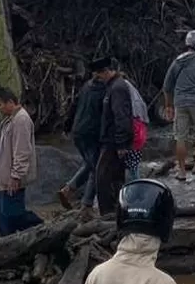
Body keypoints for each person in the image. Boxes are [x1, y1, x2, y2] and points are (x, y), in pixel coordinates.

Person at [163, 31, 195, 181]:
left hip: (180, 103)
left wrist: (168, 106)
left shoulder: (177, 61)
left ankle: (181, 171)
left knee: (180, 137)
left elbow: (167, 87)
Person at [0, 88, 42, 237]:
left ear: (11, 102)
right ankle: (5, 245)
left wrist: (16, 175)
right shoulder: (10, 119)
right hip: (2, 178)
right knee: (1, 214)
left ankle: (40, 227)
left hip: (11, 179)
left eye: (0, 104)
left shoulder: (21, 120)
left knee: (12, 215)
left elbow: (22, 150)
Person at [59, 63, 107, 217]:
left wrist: (67, 126)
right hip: (92, 133)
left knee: (89, 163)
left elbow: (73, 105)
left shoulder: (86, 87)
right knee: (96, 168)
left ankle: (68, 189)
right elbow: (105, 114)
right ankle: (86, 205)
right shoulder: (104, 91)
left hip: (78, 131)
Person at [95, 59, 133, 216]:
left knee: (103, 176)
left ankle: (109, 211)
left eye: (100, 75)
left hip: (114, 141)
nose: (99, 78)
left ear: (106, 71)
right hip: (111, 139)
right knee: (114, 176)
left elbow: (121, 117)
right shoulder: (113, 86)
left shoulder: (117, 88)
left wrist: (121, 143)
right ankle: (117, 209)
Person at [124, 78, 149, 182]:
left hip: (133, 138)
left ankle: (133, 190)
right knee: (134, 167)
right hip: (138, 137)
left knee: (132, 170)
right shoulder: (138, 103)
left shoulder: (123, 88)